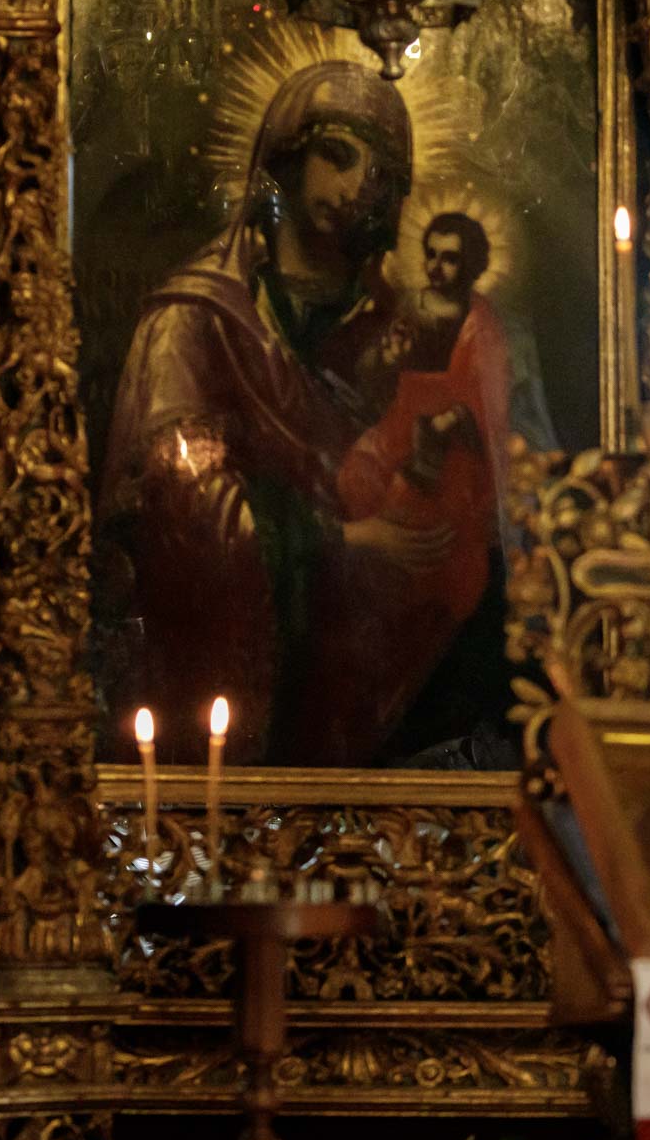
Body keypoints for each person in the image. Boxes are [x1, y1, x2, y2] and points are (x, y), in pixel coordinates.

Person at [97, 60, 447, 764]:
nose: (355, 189)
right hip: (223, 700)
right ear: (286, 156)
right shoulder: (198, 318)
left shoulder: (397, 331)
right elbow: (178, 498)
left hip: (365, 697)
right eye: (338, 157)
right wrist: (339, 540)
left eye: (378, 176)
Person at [323, 210, 515, 758]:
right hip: (405, 429)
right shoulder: (411, 308)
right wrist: (381, 363)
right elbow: (375, 380)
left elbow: (492, 406)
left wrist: (456, 419)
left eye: (450, 256)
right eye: (431, 253)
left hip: (460, 463)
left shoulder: (484, 324)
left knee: (442, 556)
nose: (436, 266)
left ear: (473, 264)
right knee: (355, 480)